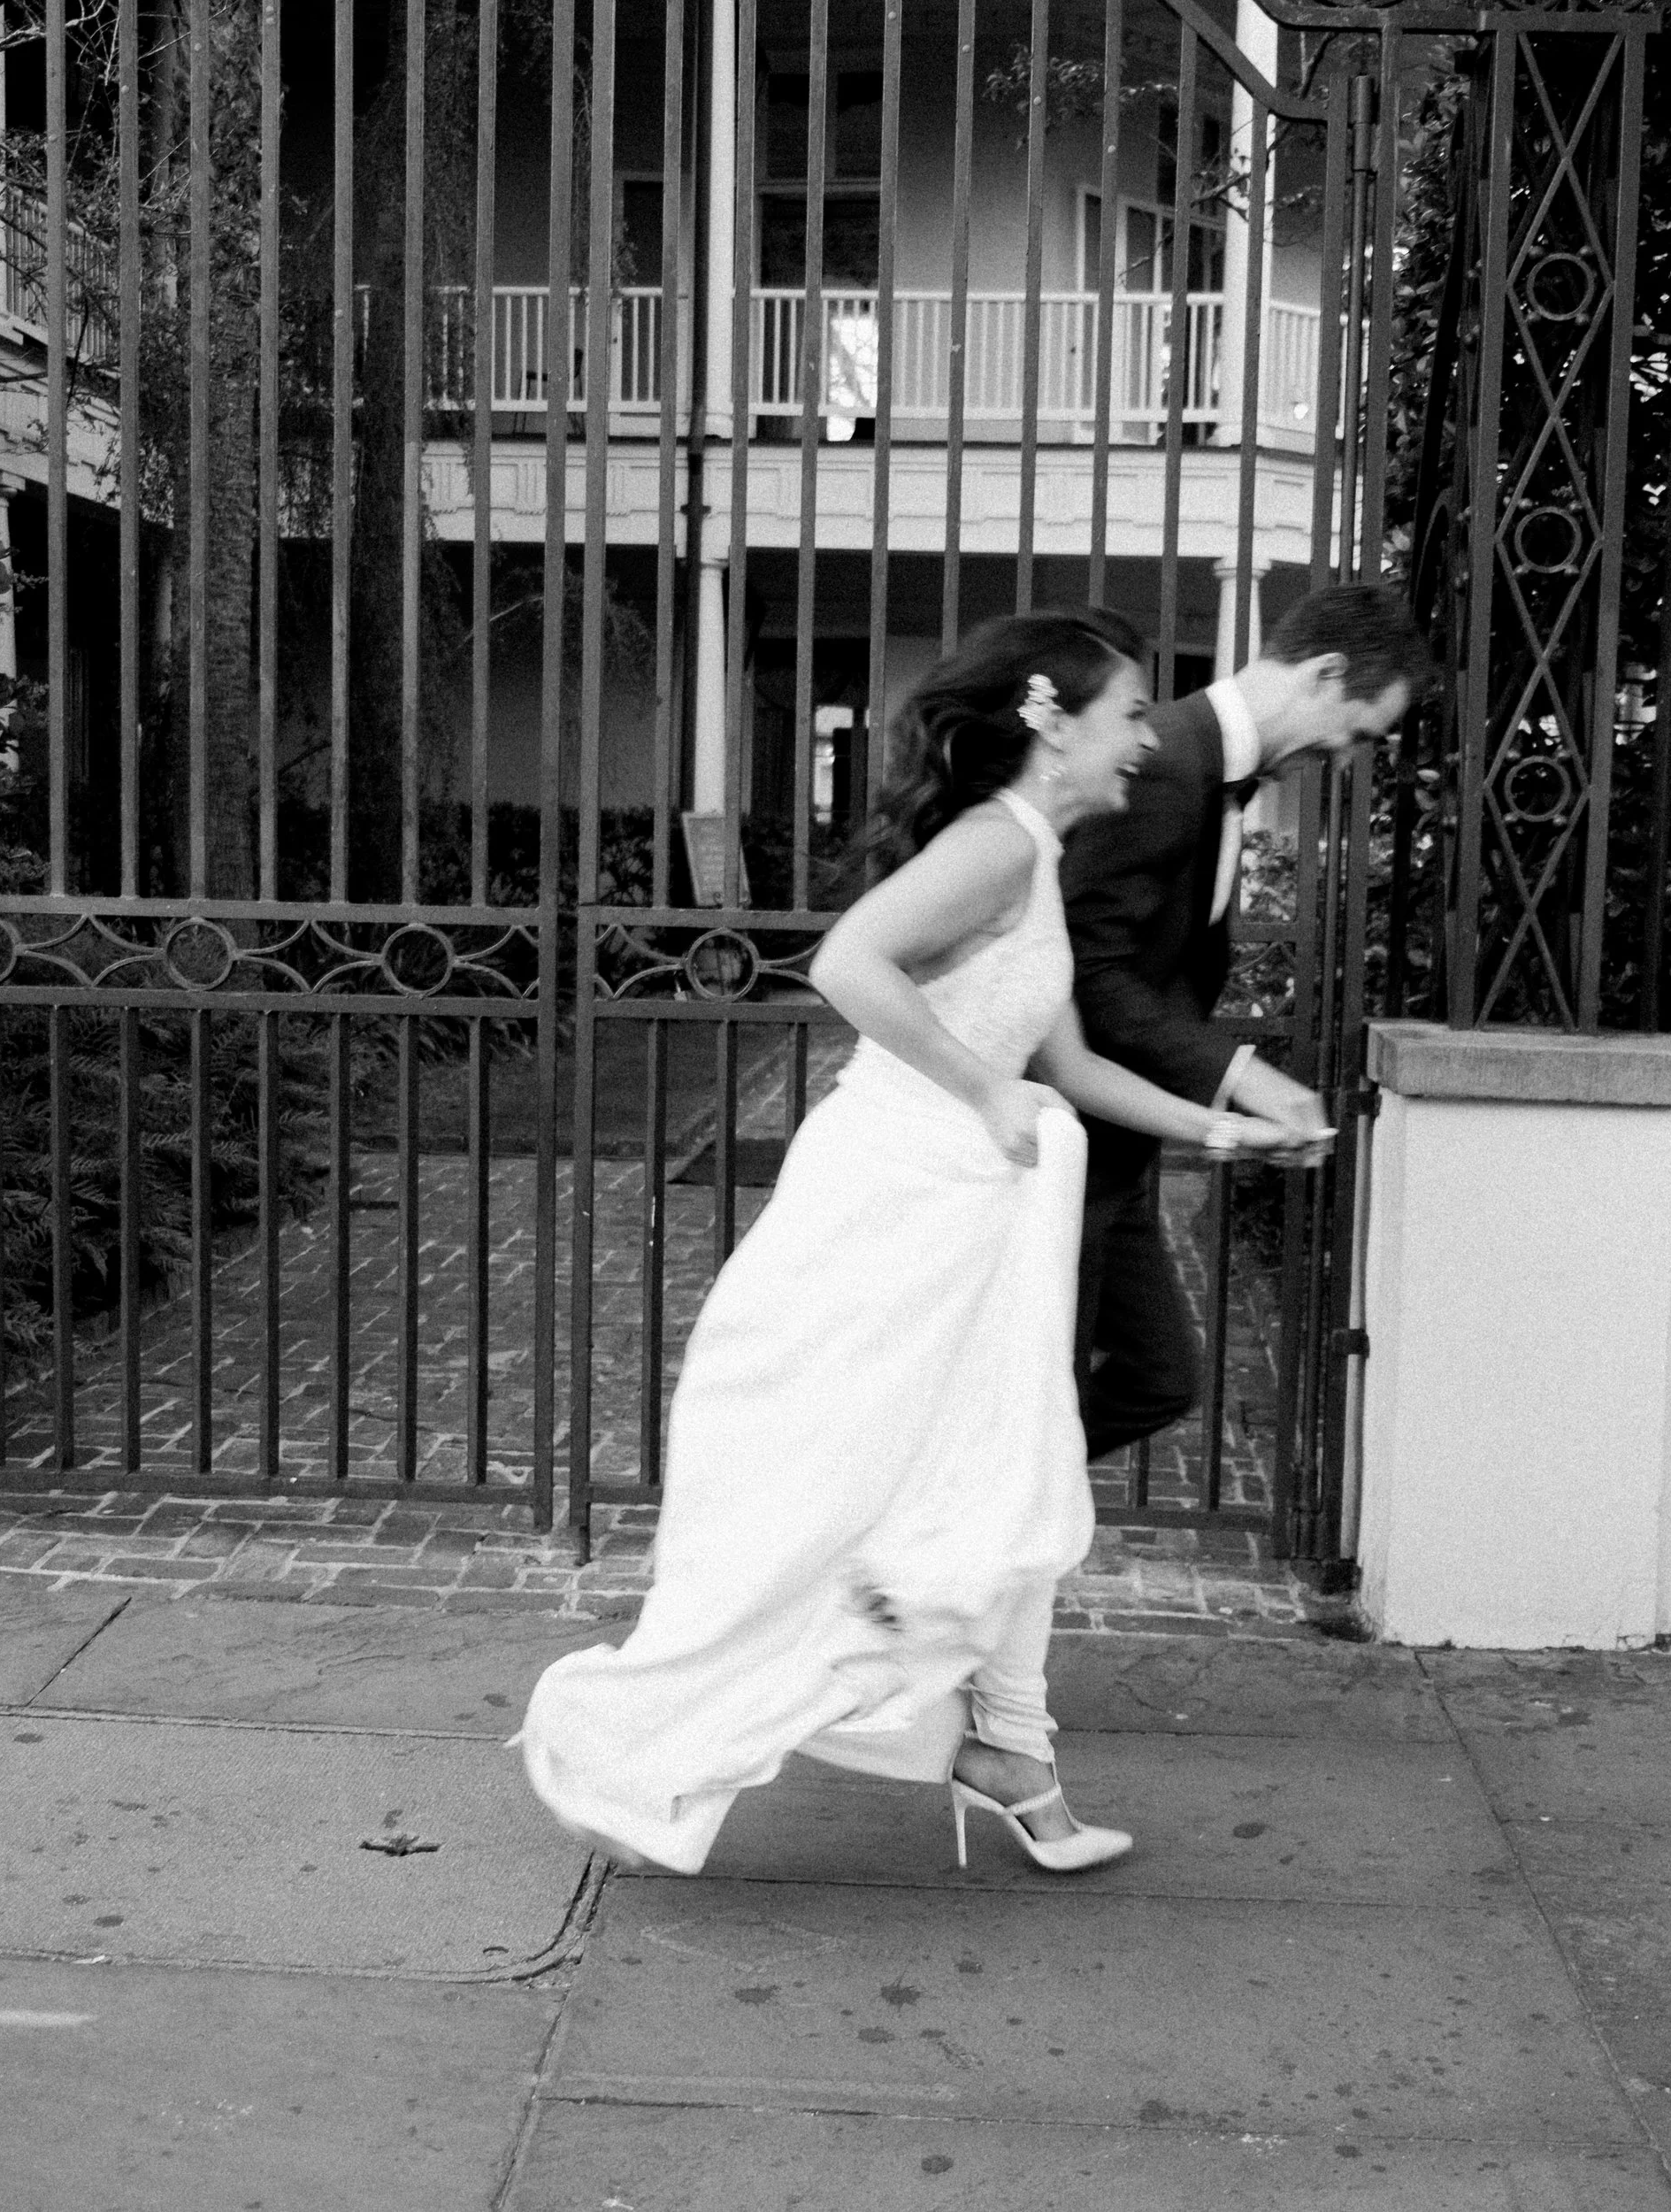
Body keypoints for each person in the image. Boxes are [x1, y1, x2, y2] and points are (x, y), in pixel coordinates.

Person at [517, 610, 1298, 1877]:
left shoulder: (1035, 854)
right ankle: (666, 1726)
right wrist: (979, 1090)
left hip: (971, 1213)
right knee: (856, 1489)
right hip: (898, 1201)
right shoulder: (996, 846)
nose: (1147, 740)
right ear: (1052, 720)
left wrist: (1224, 1137)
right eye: (1131, 712)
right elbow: (849, 964)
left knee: (1004, 1472)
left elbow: (1077, 1062)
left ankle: (1007, 1761)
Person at [1061, 581, 1432, 1463]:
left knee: (1160, 1378)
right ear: (1325, 671)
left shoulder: (1209, 775)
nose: (1348, 757)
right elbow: (1086, 976)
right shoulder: (1161, 764)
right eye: (1360, 731)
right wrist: (1244, 1078)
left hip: (1118, 1151)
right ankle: (954, 1531)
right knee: (1041, 1411)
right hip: (1064, 1150)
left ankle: (975, 1512)